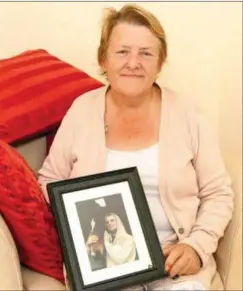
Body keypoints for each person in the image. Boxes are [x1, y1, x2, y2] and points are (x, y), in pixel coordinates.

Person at [38, 4, 234, 290]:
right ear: (103, 59)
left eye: (146, 53)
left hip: (175, 262)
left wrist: (196, 246)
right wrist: (81, 229)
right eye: (122, 51)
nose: (133, 63)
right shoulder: (82, 110)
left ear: (160, 63)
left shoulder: (188, 114)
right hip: (105, 267)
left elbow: (218, 193)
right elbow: (49, 180)